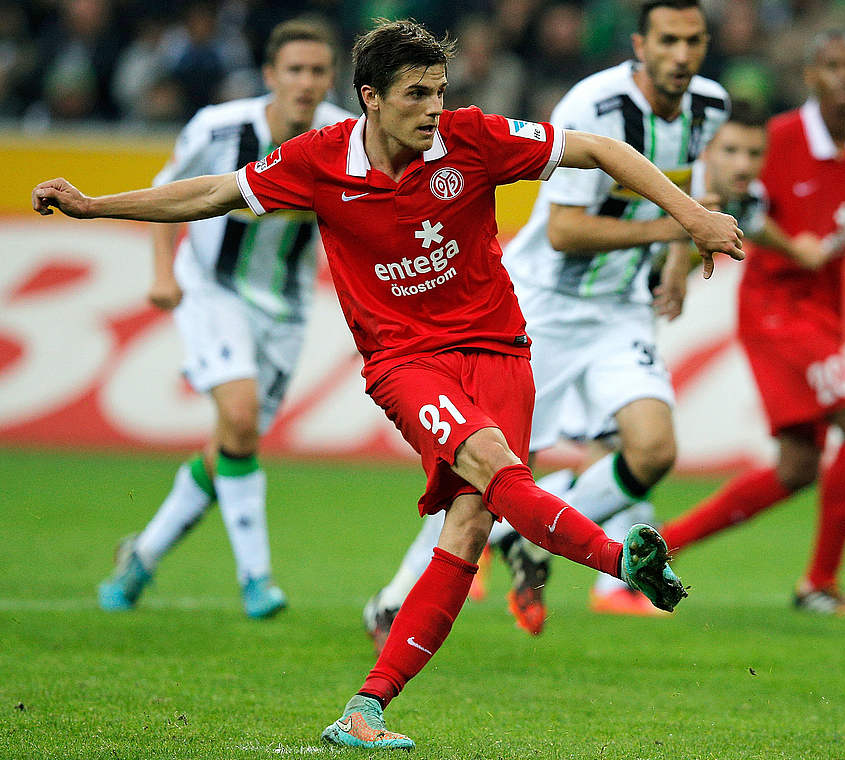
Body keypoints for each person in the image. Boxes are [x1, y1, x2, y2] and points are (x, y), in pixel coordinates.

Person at [32, 19, 743, 749]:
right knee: (496, 470)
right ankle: (618, 558)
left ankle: (366, 709)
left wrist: (691, 214)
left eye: (439, 91)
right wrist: (95, 205)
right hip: (407, 361)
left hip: (500, 348)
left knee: (470, 525)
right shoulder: (318, 160)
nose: (433, 108)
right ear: (371, 98)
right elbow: (214, 192)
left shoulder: (471, 138)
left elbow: (595, 148)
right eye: (415, 94)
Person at [363, 0, 732, 641]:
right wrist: (675, 225)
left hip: (620, 310)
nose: (682, 55)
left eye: (694, 40)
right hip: (544, 308)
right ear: (641, 44)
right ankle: (396, 599)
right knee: (485, 465)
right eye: (668, 40)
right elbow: (562, 231)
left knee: (653, 449)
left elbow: (686, 183)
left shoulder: (710, 106)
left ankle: (521, 538)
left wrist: (677, 255)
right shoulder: (595, 105)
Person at [659, 31, 845, 616]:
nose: (843, 76)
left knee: (798, 466)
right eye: (831, 65)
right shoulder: (775, 138)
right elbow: (724, 201)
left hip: (825, 311)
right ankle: (820, 585)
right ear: (809, 75)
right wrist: (684, 266)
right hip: (774, 310)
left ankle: (661, 548)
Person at [96, 18, 354, 619]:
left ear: (331, 78)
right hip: (212, 288)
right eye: (295, 70)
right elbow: (170, 195)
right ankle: (256, 579)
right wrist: (163, 274)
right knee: (238, 418)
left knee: (232, 444)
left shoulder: (346, 137)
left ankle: (143, 555)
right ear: (270, 76)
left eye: (318, 71)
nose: (306, 82)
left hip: (285, 310)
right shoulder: (218, 128)